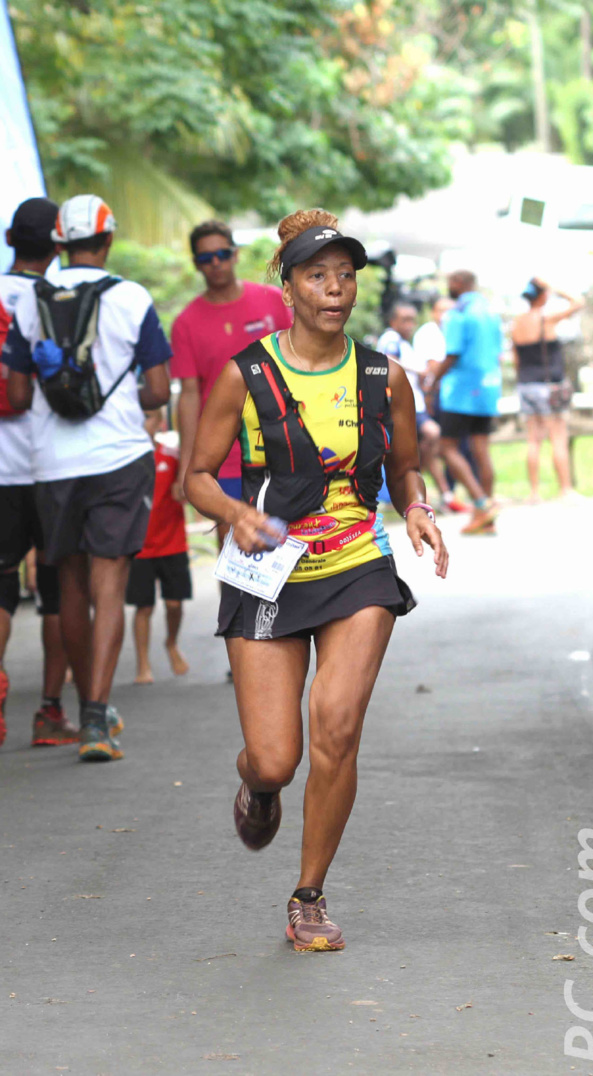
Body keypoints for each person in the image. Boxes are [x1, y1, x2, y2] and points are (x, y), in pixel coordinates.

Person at [185, 209, 448, 952]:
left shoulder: (382, 375)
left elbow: (404, 466)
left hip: (357, 565)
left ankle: (308, 895)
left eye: (345, 276)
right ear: (288, 289)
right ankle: (258, 785)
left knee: (336, 725)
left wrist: (417, 508)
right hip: (268, 570)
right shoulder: (247, 375)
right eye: (317, 276)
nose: (335, 289)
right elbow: (195, 477)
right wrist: (234, 512)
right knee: (276, 756)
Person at [3, 194, 171, 762]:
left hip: (52, 463)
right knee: (110, 586)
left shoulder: (33, 302)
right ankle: (97, 721)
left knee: (70, 586)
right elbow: (157, 390)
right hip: (119, 458)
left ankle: (84, 710)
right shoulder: (131, 297)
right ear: (108, 239)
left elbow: (17, 393)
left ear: (61, 242)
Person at [0, 196, 75, 749]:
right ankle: (50, 713)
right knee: (57, 592)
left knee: (2, 584)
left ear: (9, 241)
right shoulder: (60, 301)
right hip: (53, 467)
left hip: (0, 471)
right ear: (57, 245)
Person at [171, 219, 294, 524]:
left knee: (296, 541)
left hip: (285, 447)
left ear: (235, 254)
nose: (216, 263)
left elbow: (300, 362)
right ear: (196, 264)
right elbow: (189, 397)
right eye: (206, 258)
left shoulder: (273, 301)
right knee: (233, 545)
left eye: (222, 254)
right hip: (224, 458)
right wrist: (187, 467)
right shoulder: (186, 323)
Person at [425, 270, 502, 535]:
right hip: (489, 387)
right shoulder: (491, 312)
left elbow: (452, 354)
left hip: (462, 391)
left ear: (458, 284)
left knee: (446, 447)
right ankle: (485, 517)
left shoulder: (458, 313)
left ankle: (481, 503)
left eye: (450, 284)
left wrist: (433, 382)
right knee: (481, 449)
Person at [126, 409, 192, 684]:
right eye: (140, 416)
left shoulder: (174, 457)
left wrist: (184, 486)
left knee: (174, 604)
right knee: (143, 607)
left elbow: (189, 489)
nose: (145, 422)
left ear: (161, 422)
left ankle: (171, 642)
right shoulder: (125, 459)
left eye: (150, 416)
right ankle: (143, 665)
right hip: (139, 546)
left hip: (172, 542)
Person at [377, 302, 460, 510]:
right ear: (393, 321)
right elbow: (388, 361)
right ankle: (415, 495)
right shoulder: (390, 339)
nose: (409, 325)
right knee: (429, 436)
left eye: (412, 320)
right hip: (399, 406)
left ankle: (441, 495)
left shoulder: (405, 343)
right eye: (404, 320)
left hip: (415, 405)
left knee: (426, 444)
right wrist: (419, 371)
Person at [511, 278, 585, 503]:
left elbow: (516, 360)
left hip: (526, 385)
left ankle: (534, 492)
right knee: (558, 437)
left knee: (533, 440)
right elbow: (578, 302)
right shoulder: (547, 319)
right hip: (549, 385)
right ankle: (565, 490)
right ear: (542, 295)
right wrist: (555, 288)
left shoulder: (517, 322)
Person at [412, 297, 468, 512]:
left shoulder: (453, 331)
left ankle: (444, 494)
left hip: (449, 396)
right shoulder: (428, 333)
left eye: (450, 311)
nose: (446, 315)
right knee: (436, 443)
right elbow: (433, 368)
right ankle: (432, 495)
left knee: (443, 446)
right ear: (433, 312)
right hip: (432, 398)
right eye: (442, 310)